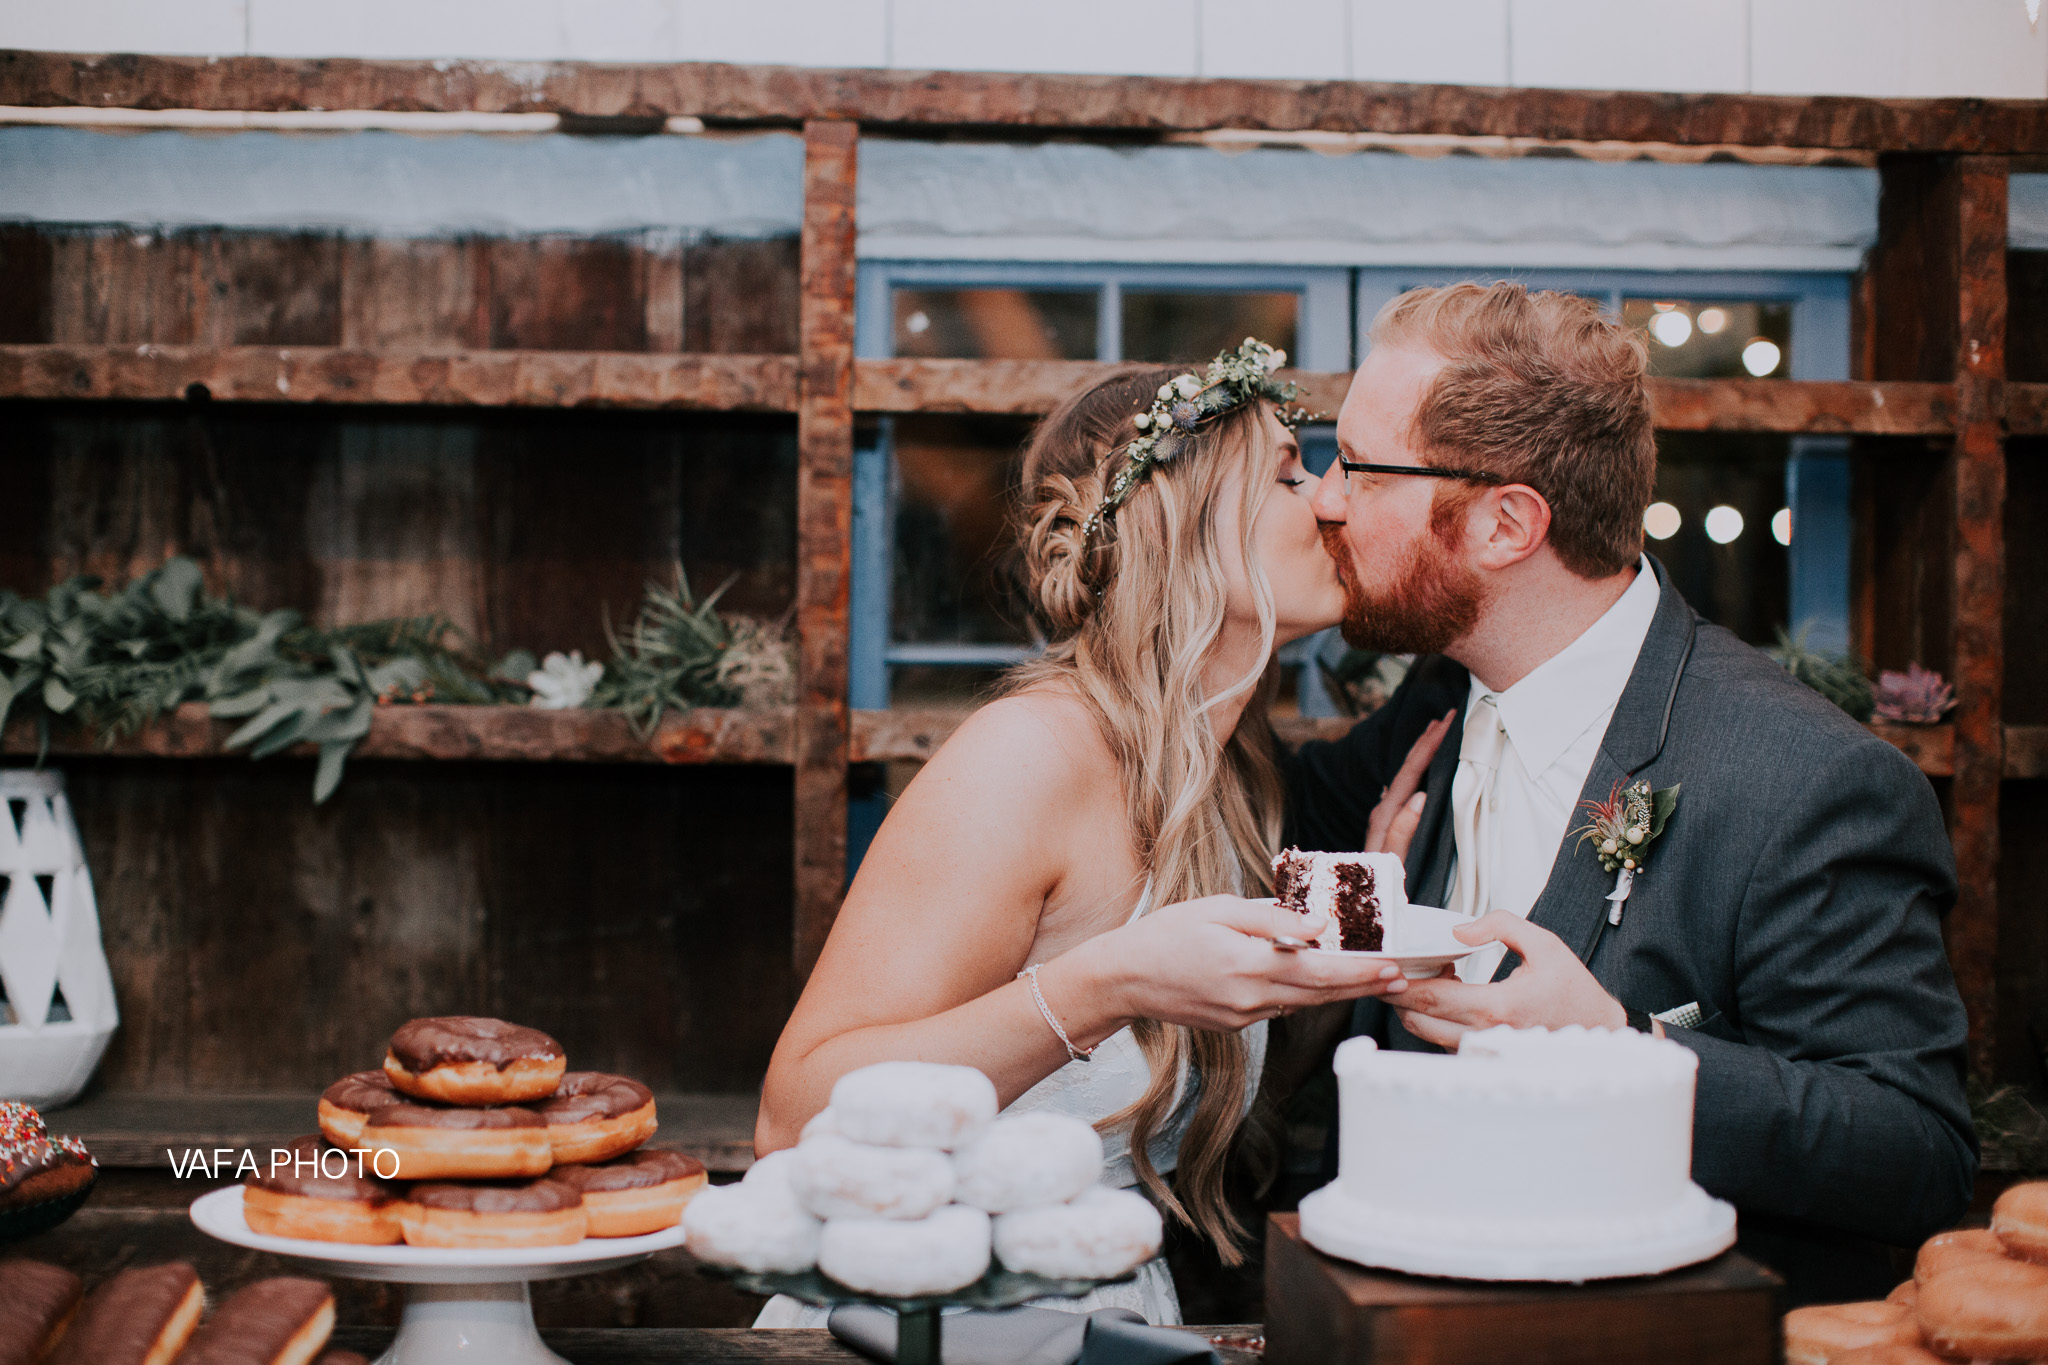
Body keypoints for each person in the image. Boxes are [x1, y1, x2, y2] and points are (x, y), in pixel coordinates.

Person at [1287, 281, 1976, 1305]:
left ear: (1504, 525)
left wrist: (1615, 1051)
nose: (1325, 497)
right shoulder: (1440, 697)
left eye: (1358, 466)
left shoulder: (1806, 781)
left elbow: (1911, 1152)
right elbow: (1262, 813)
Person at [753, 343, 1421, 1325]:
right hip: (921, 1320)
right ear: (1184, 526)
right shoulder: (1028, 755)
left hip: (1099, 1315)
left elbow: (1192, 1064)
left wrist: (1346, 953)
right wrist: (1099, 986)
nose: (1328, 501)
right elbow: (793, 1118)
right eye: (1288, 475)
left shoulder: (1231, 774)